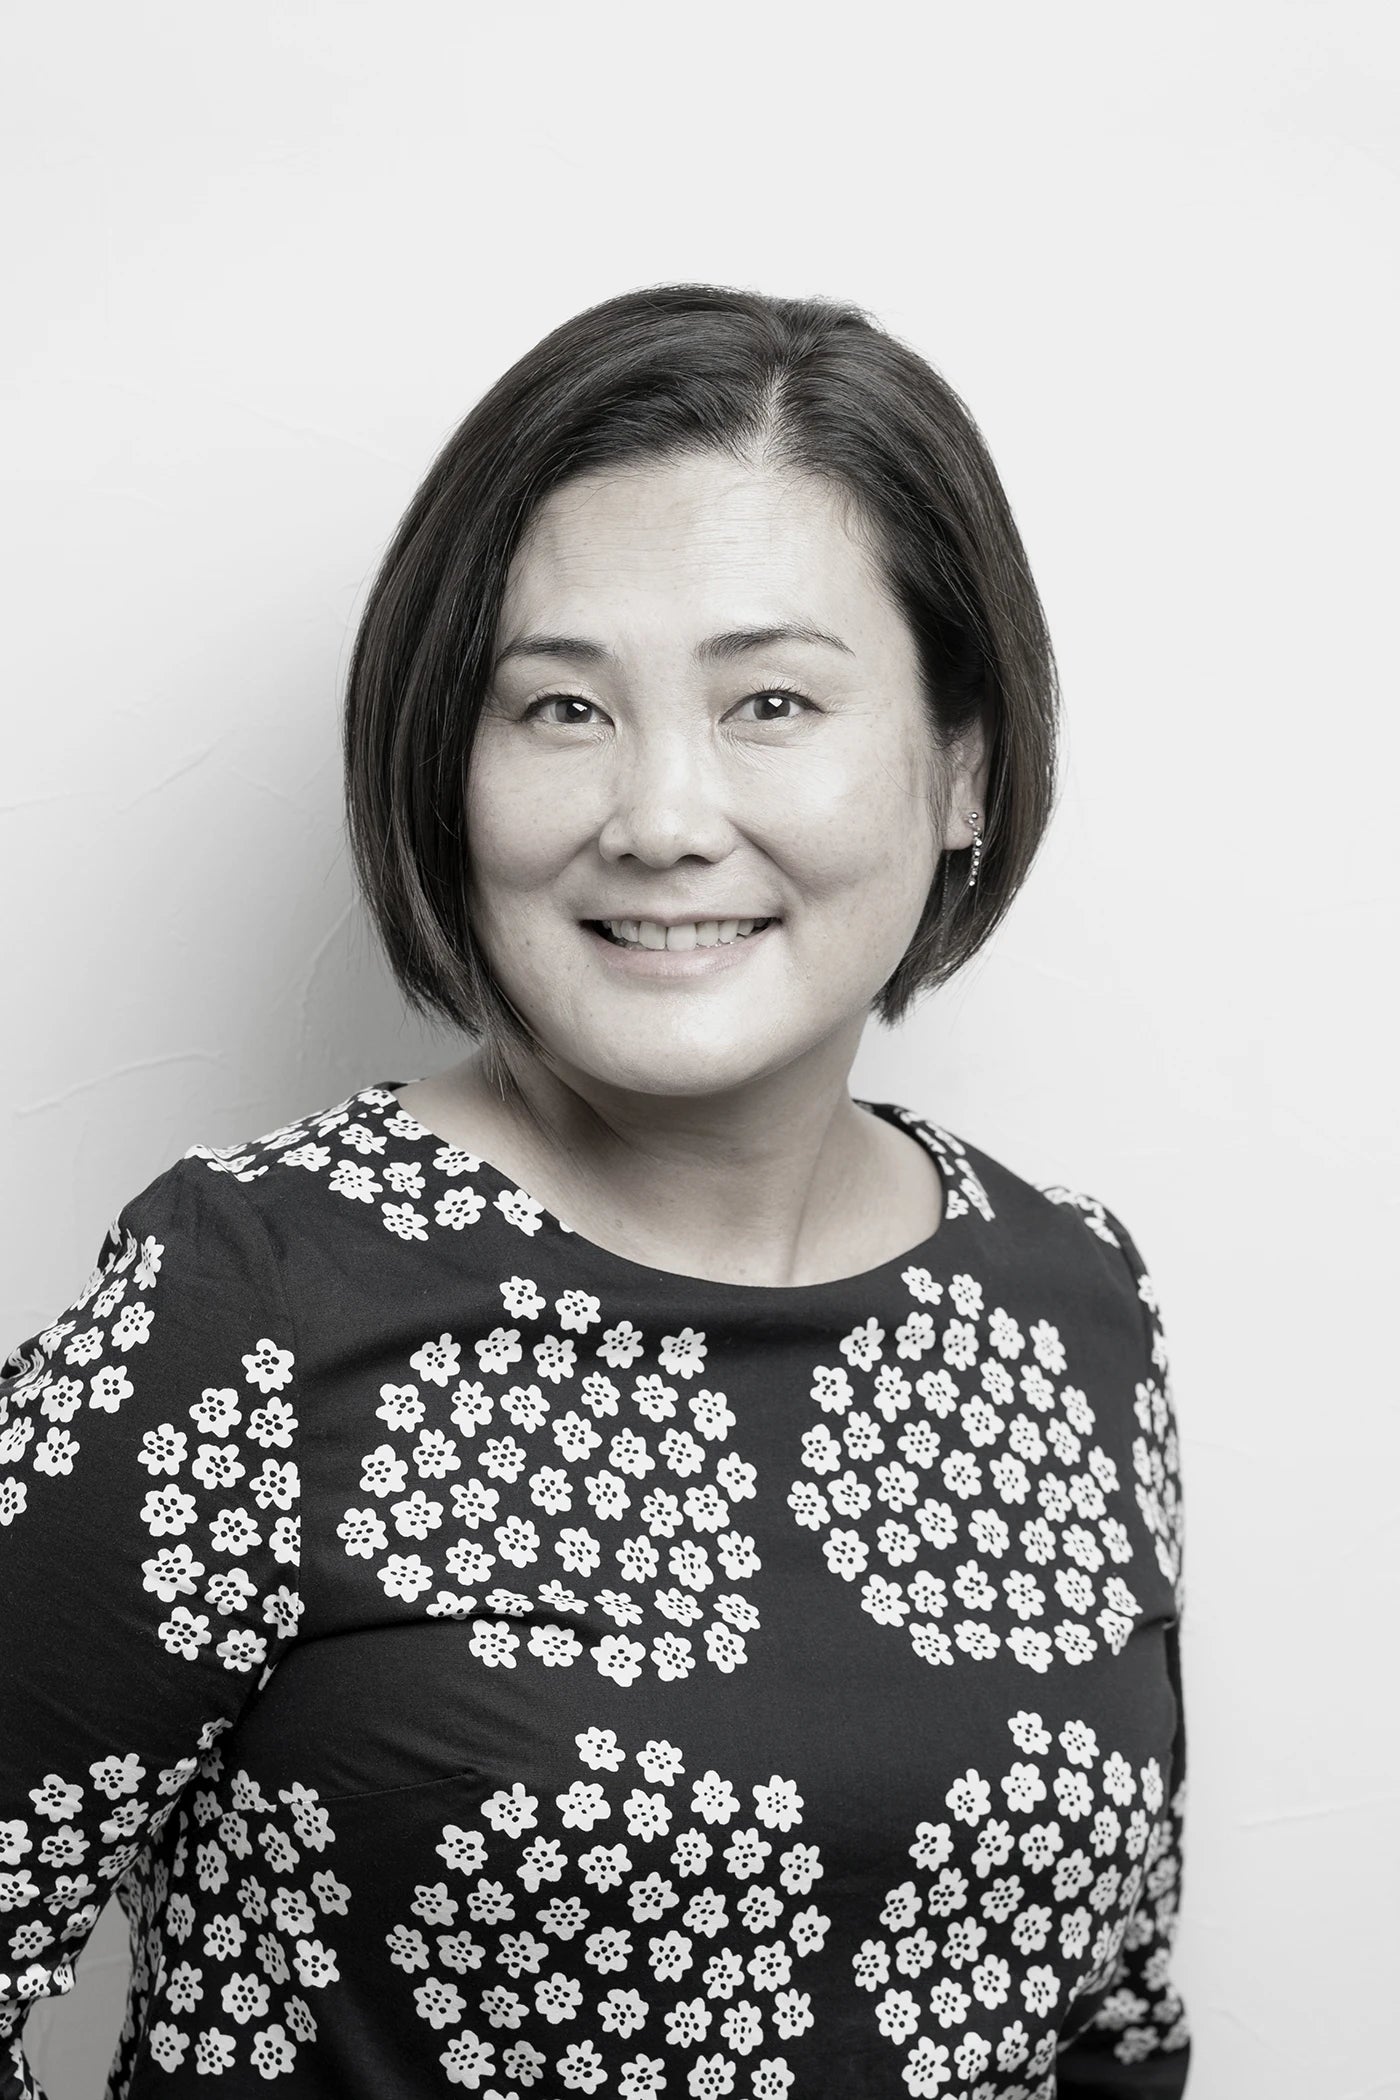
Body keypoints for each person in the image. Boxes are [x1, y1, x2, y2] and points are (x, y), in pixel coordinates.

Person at [0, 283, 1189, 2097]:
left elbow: (1112, 2033)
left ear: (962, 765)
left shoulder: (1076, 1304)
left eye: (771, 699)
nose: (658, 814)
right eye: (560, 707)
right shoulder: (238, 1297)